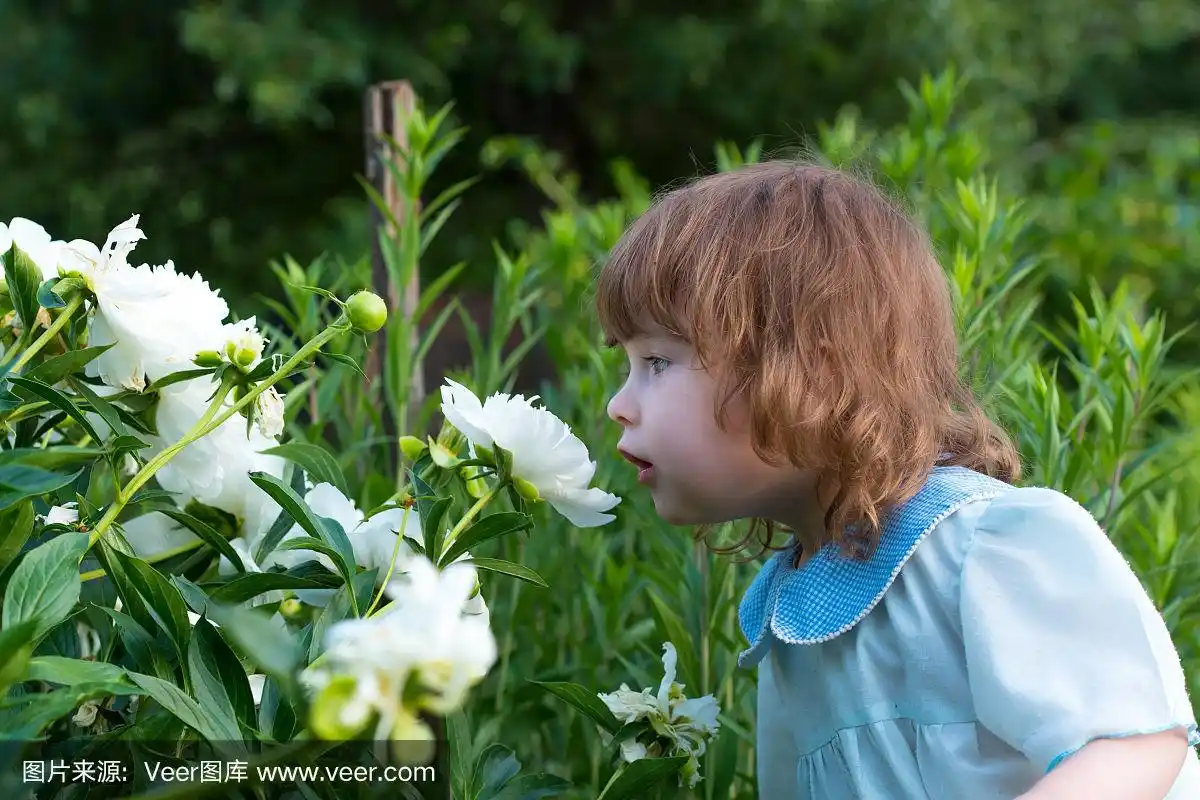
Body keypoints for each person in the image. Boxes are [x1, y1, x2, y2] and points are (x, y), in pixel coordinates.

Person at [596, 161, 1200, 798]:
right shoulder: (793, 624)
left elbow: (1132, 750)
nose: (619, 404)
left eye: (658, 361)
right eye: (629, 365)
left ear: (812, 371)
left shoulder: (982, 549)